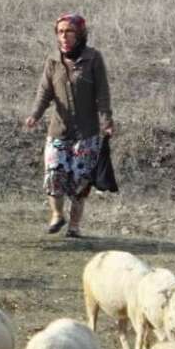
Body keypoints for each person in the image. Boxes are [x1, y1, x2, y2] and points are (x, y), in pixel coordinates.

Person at [23, 13, 115, 238]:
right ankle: (56, 215)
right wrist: (35, 115)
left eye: (69, 31)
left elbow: (102, 94)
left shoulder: (93, 59)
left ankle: (74, 226)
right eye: (60, 32)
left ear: (80, 34)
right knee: (53, 172)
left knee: (80, 180)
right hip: (58, 130)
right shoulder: (53, 60)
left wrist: (107, 122)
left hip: (87, 133)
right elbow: (44, 92)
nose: (64, 36)